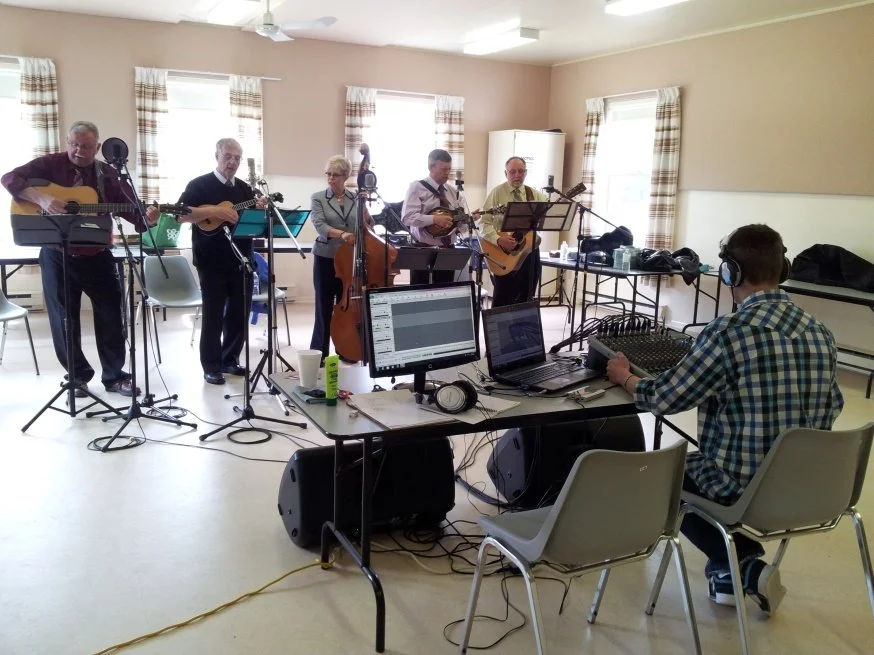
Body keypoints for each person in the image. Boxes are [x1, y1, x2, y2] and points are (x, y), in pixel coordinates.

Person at [606, 224, 844, 615]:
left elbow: (666, 398)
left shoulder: (727, 332)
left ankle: (743, 563)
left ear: (731, 273)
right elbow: (833, 405)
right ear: (781, 269)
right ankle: (729, 573)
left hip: (743, 489)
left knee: (665, 472)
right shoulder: (821, 332)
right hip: (807, 487)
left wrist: (626, 377)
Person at [1, 120, 157, 398]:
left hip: (97, 255)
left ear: (97, 147)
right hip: (56, 254)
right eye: (73, 144)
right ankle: (77, 376)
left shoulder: (107, 173)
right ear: (67, 142)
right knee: (64, 319)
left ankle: (115, 376)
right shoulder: (50, 164)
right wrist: (42, 199)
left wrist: (149, 218)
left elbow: (134, 215)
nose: (78, 150)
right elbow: (10, 179)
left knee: (111, 315)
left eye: (85, 146)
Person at [176, 137, 266, 385]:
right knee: (214, 315)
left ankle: (230, 359)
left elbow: (252, 220)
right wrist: (213, 211)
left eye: (237, 157)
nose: (233, 162)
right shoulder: (199, 185)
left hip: (241, 260)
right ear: (217, 155)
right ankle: (211, 365)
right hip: (211, 261)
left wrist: (259, 208)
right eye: (228, 156)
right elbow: (180, 215)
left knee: (239, 314)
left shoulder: (246, 189)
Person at [309, 155, 371, 360]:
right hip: (326, 258)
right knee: (324, 306)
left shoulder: (356, 197)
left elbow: (366, 225)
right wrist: (342, 234)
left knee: (345, 306)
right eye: (328, 174)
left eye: (335, 175)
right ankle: (319, 352)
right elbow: (320, 226)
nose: (331, 178)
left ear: (346, 176)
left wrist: (367, 213)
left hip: (349, 260)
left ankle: (345, 348)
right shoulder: (318, 197)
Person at [479, 156, 549, 307]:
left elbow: (547, 217)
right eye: (512, 172)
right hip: (503, 253)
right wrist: (498, 239)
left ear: (526, 173)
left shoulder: (535, 195)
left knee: (527, 297)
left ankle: (523, 329)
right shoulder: (497, 192)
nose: (517, 175)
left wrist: (555, 209)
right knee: (503, 298)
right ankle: (498, 329)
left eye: (521, 171)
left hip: (529, 253)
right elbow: (484, 223)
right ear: (506, 173)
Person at [401, 149, 466, 286]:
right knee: (419, 291)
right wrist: (434, 219)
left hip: (447, 250)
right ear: (431, 167)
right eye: (443, 169)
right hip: (422, 249)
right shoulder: (416, 187)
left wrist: (467, 220)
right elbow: (407, 218)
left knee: (445, 291)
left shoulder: (453, 192)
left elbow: (461, 226)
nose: (447, 173)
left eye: (449, 169)